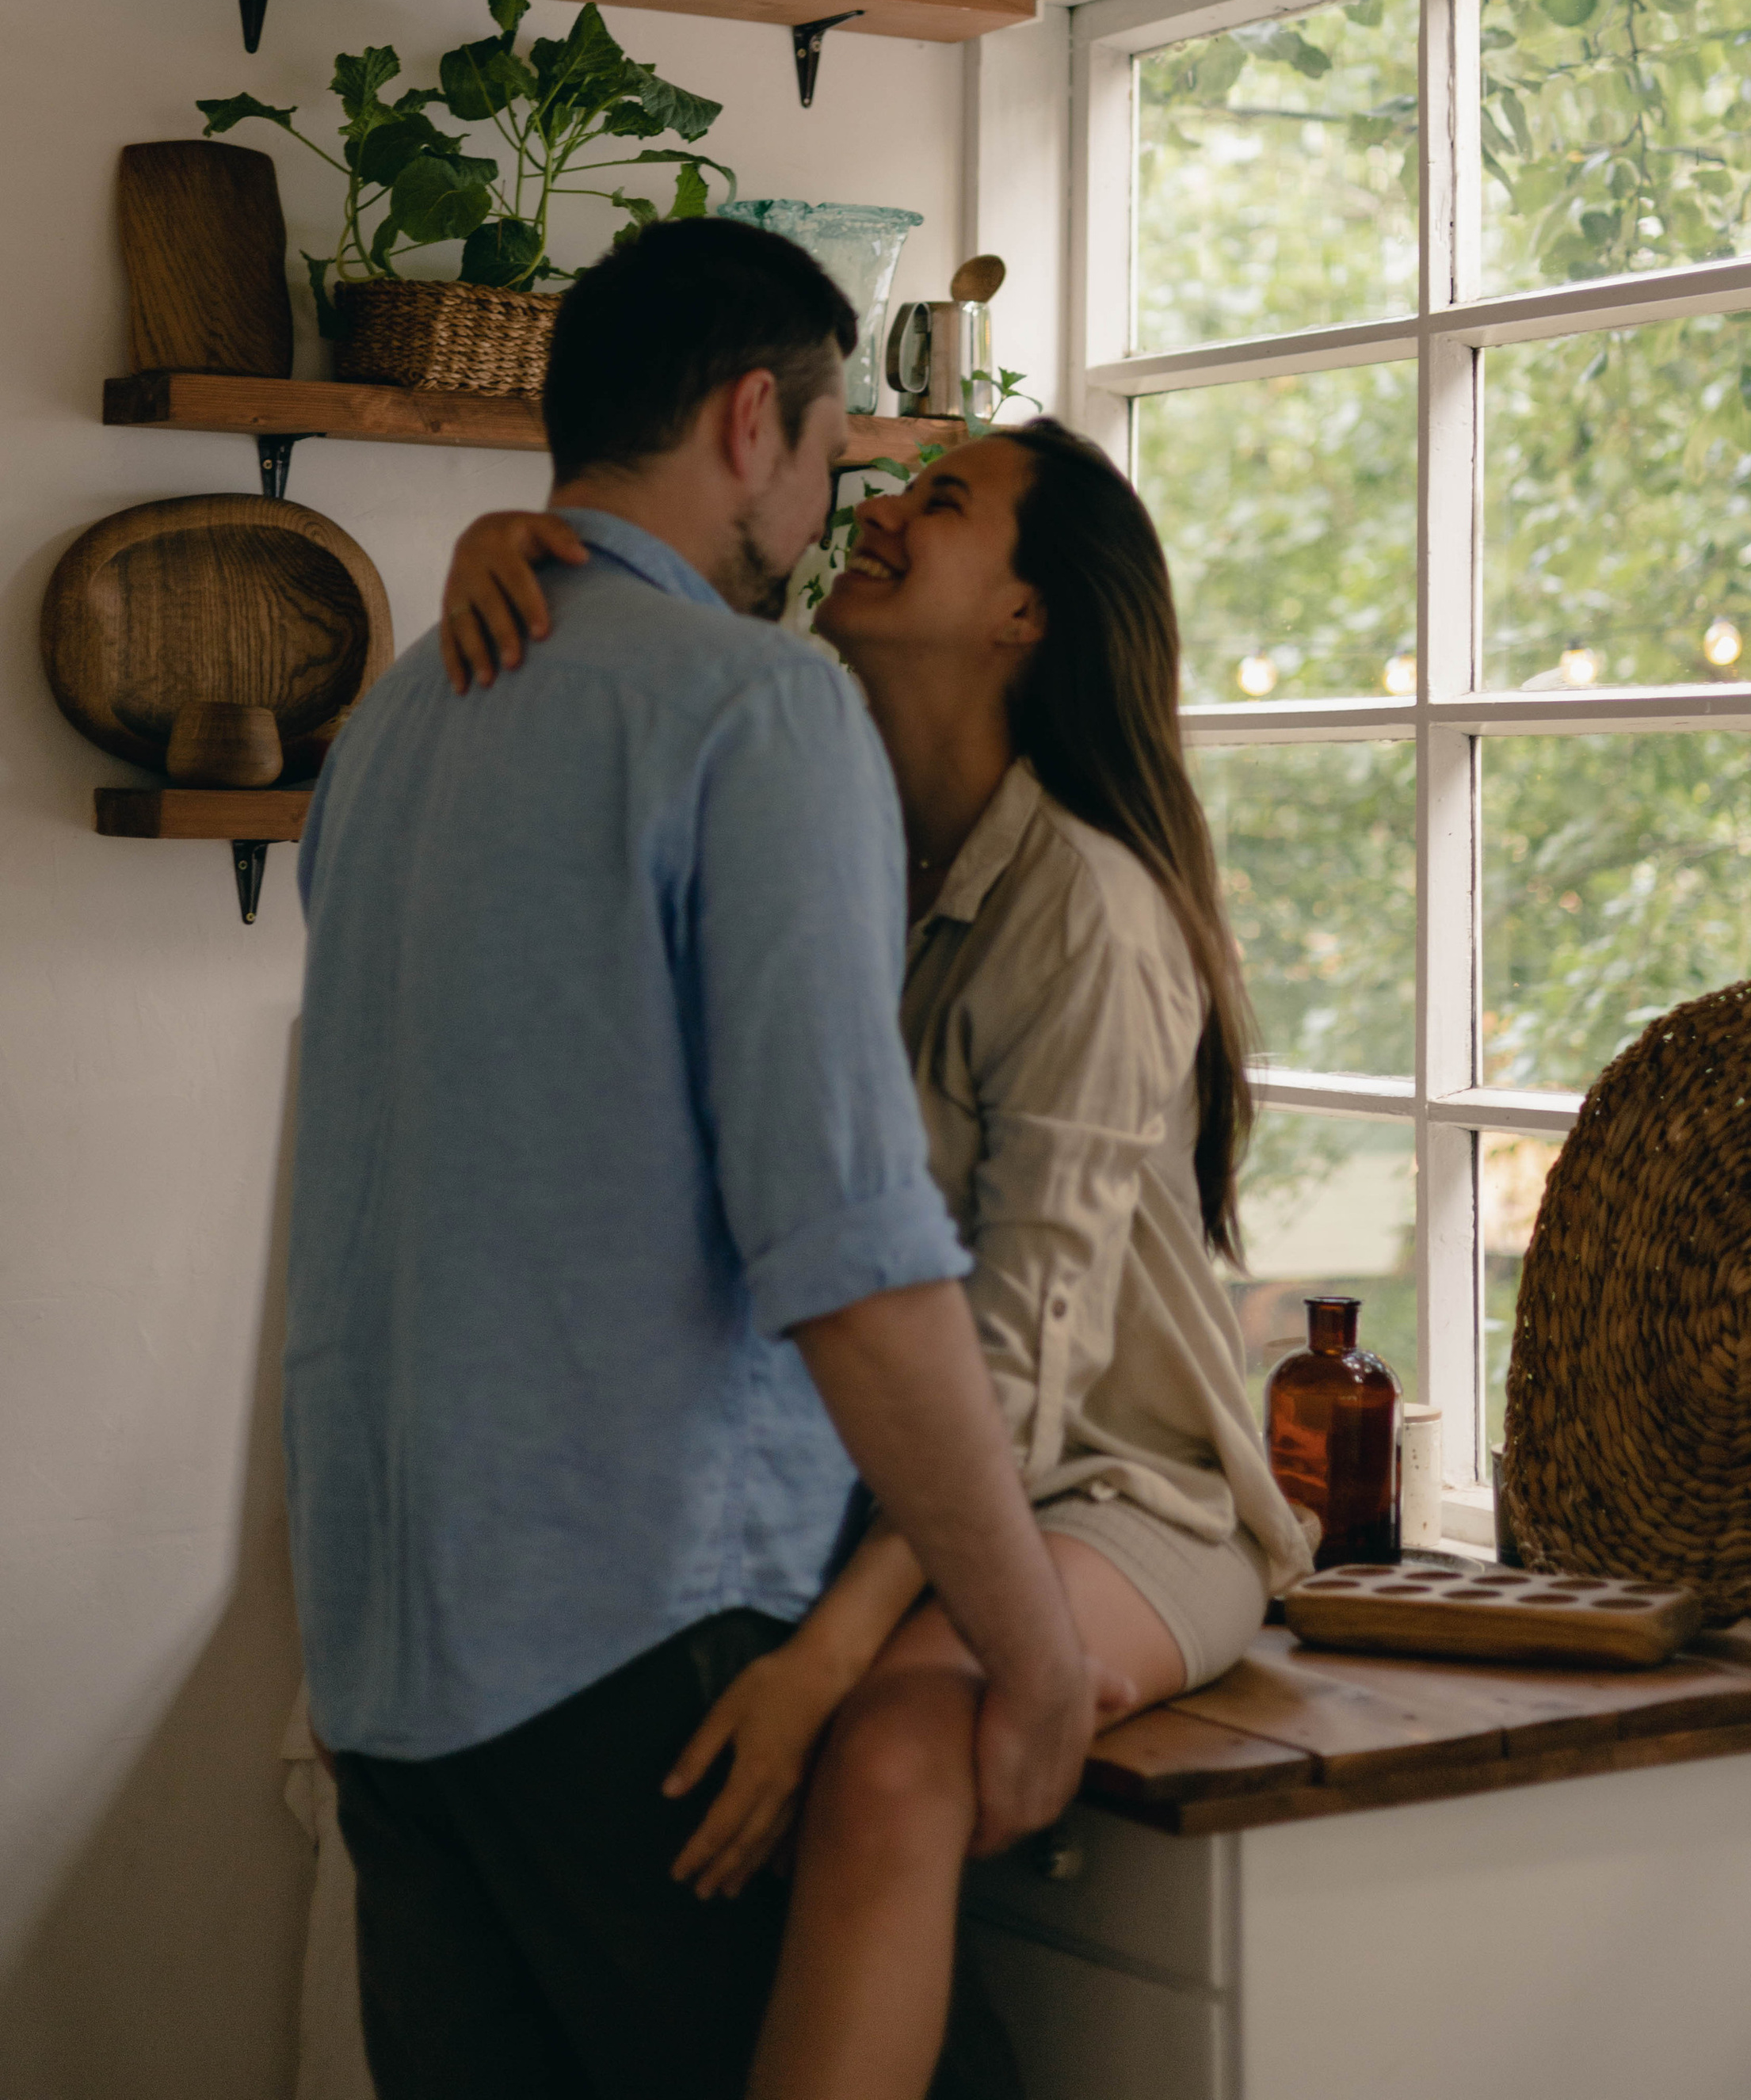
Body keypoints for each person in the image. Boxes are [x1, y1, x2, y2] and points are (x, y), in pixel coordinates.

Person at [286, 219, 1104, 2100]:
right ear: (754, 418)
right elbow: (845, 1247)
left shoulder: (395, 720)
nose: (829, 512)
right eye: (830, 456)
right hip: (642, 1635)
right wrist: (1029, 1644)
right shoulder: (755, 706)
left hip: (390, 1647)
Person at [438, 409, 1317, 2100]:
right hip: (886, 1483)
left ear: (1026, 618)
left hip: (1111, 1490)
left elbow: (1023, 1355)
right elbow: (643, 615)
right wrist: (496, 557)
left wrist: (830, 1655)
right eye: (900, 486)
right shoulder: (810, 799)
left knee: (895, 1754)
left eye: (947, 502)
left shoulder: (1088, 912)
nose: (883, 512)